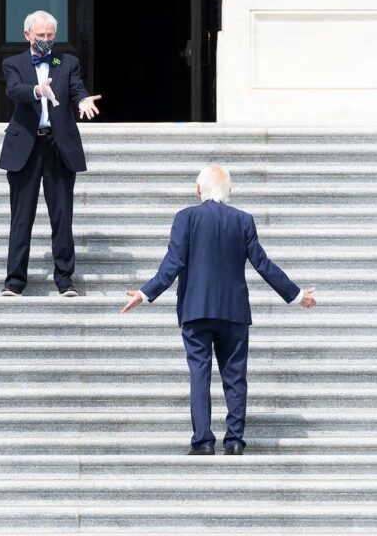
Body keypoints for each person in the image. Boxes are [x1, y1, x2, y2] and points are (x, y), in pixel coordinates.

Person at [122, 166, 316, 455]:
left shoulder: (185, 218)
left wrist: (145, 293)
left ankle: (203, 440)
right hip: (234, 311)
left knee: (199, 373)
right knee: (235, 376)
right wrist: (297, 295)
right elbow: (263, 264)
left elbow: (172, 263)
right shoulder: (243, 221)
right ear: (229, 191)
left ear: (199, 189)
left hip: (196, 309)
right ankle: (235, 440)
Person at [0, 10, 101, 297]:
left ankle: (65, 280)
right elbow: (14, 90)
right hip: (26, 148)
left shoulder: (66, 62)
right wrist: (37, 89)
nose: (45, 40)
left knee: (62, 216)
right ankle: (15, 281)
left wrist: (82, 101)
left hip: (58, 147)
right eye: (40, 35)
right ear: (28, 35)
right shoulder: (13, 62)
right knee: (21, 216)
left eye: (50, 36)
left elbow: (76, 88)